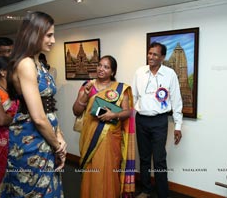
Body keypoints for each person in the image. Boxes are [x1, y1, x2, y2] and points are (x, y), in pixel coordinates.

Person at [0, 11, 66, 197]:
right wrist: (58, 147)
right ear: (34, 33)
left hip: (47, 138)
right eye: (49, 35)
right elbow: (39, 118)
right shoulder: (26, 63)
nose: (53, 40)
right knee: (32, 191)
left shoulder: (39, 63)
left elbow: (48, 107)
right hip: (32, 140)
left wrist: (59, 135)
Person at [72, 55, 135, 198]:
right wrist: (85, 96)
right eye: (100, 65)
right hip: (90, 136)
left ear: (112, 72)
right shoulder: (88, 85)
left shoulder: (120, 89)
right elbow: (76, 111)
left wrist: (113, 115)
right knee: (91, 170)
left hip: (111, 137)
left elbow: (128, 111)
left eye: (106, 67)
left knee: (108, 170)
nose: (101, 69)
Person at [132, 42, 183, 198]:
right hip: (141, 120)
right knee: (144, 157)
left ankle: (163, 193)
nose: (151, 57)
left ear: (162, 57)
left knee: (159, 159)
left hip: (160, 122)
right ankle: (146, 189)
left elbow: (176, 100)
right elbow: (133, 96)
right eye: (149, 53)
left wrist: (178, 125)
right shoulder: (140, 72)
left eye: (155, 54)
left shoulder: (170, 74)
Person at [0, 56, 18, 197]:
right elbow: (1, 119)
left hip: (16, 141)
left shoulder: (13, 91)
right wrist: (19, 118)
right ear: (2, 72)